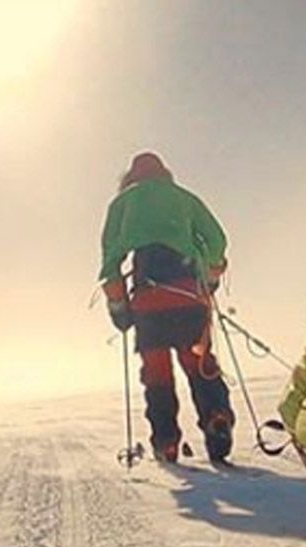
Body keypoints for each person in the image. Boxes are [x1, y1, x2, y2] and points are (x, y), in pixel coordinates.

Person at [98, 151, 235, 464]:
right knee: (199, 363)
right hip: (188, 295)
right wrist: (211, 274)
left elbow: (110, 260)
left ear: (130, 179)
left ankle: (166, 442)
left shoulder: (122, 204)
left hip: (148, 301)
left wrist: (118, 303)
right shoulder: (184, 199)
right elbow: (216, 240)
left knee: (157, 374)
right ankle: (216, 416)